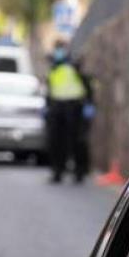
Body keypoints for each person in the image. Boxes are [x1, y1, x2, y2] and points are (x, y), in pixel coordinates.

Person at [45, 42, 89, 183]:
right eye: (56, 49)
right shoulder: (53, 68)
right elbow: (50, 88)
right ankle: (57, 171)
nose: (58, 53)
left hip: (73, 106)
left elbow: (86, 86)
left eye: (60, 50)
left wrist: (89, 104)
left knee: (76, 140)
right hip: (56, 107)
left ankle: (79, 171)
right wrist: (47, 106)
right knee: (56, 141)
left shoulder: (73, 66)